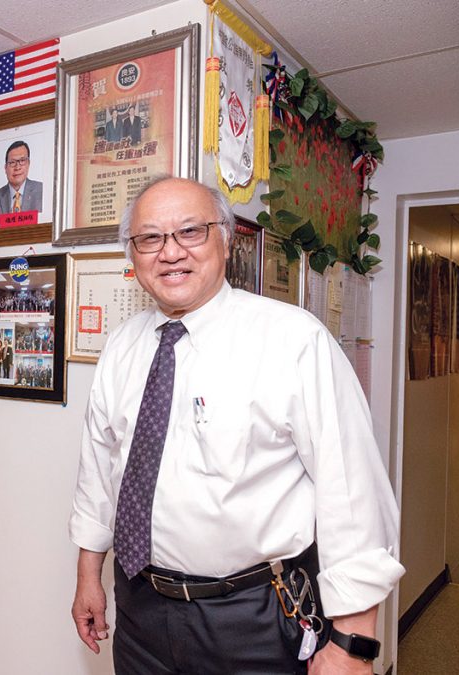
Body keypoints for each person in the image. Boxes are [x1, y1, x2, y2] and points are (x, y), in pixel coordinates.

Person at [69, 177, 403, 674]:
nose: (170, 252)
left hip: (255, 616)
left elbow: (351, 496)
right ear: (133, 255)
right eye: (150, 238)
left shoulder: (293, 341)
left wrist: (352, 645)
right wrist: (88, 575)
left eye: (190, 231)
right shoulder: (122, 347)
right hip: (140, 611)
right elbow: (99, 472)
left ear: (225, 240)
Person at [0, 140, 43, 217]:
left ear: (28, 164)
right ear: (5, 168)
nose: (17, 167)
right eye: (12, 162)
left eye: (22, 161)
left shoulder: (41, 190)